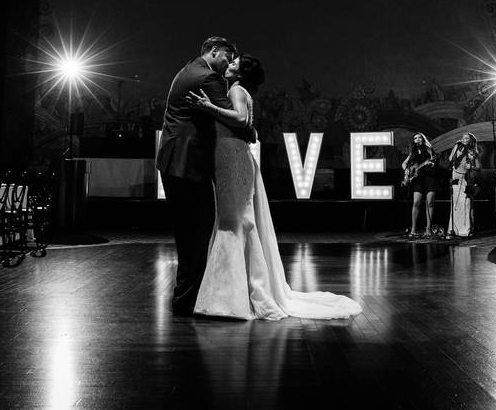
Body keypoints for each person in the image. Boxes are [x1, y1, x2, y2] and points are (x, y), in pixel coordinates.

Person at [186, 54, 362, 320]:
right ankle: (241, 291)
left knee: (233, 222)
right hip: (230, 157)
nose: (229, 65)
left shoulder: (235, 89)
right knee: (238, 221)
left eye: (234, 63)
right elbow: (249, 128)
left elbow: (242, 120)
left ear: (242, 73)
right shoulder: (238, 89)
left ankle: (229, 298)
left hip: (232, 158)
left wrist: (208, 107)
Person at [156, 36, 245, 316]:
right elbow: (234, 118)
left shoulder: (187, 69)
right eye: (226, 57)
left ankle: (187, 298)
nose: (228, 63)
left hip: (174, 162)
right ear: (214, 51)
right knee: (196, 233)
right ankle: (187, 301)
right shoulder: (209, 78)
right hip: (188, 165)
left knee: (188, 233)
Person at [401, 132, 440, 239]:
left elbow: (435, 162)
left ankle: (428, 229)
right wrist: (407, 171)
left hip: (430, 178)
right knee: (416, 202)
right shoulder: (413, 152)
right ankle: (413, 230)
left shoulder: (429, 149)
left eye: (419, 137)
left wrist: (432, 164)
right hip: (417, 180)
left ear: (423, 139)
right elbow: (404, 164)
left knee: (430, 203)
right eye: (415, 138)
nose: (417, 139)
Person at [447, 132, 479, 238]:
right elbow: (450, 159)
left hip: (467, 179)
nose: (464, 139)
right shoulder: (457, 147)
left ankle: (466, 230)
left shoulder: (473, 152)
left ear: (470, 141)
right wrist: (456, 147)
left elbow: (479, 167)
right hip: (456, 176)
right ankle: (454, 229)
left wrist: (471, 167)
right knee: (456, 204)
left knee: (466, 204)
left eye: (467, 138)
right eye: (463, 138)